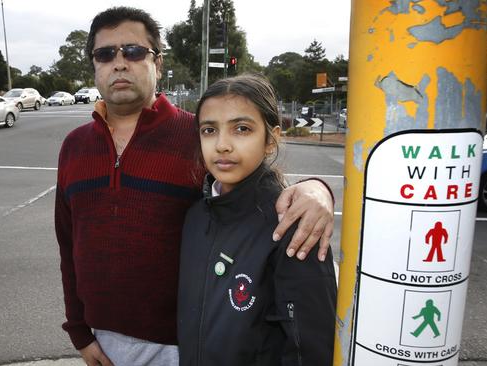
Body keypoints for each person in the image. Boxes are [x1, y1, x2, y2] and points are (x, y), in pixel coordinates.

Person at [55, 7, 335, 366]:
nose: (120, 63)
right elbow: (68, 242)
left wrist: (316, 189)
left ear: (157, 62)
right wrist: (79, 332)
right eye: (106, 54)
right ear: (94, 64)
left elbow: (253, 191)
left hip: (184, 346)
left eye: (134, 51)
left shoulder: (197, 134)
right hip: (101, 342)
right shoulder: (74, 146)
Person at [176, 74, 337, 366]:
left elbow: (310, 350)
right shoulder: (195, 217)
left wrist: (319, 189)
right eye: (209, 130)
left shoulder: (293, 225)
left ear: (271, 139)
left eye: (241, 128)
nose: (222, 145)